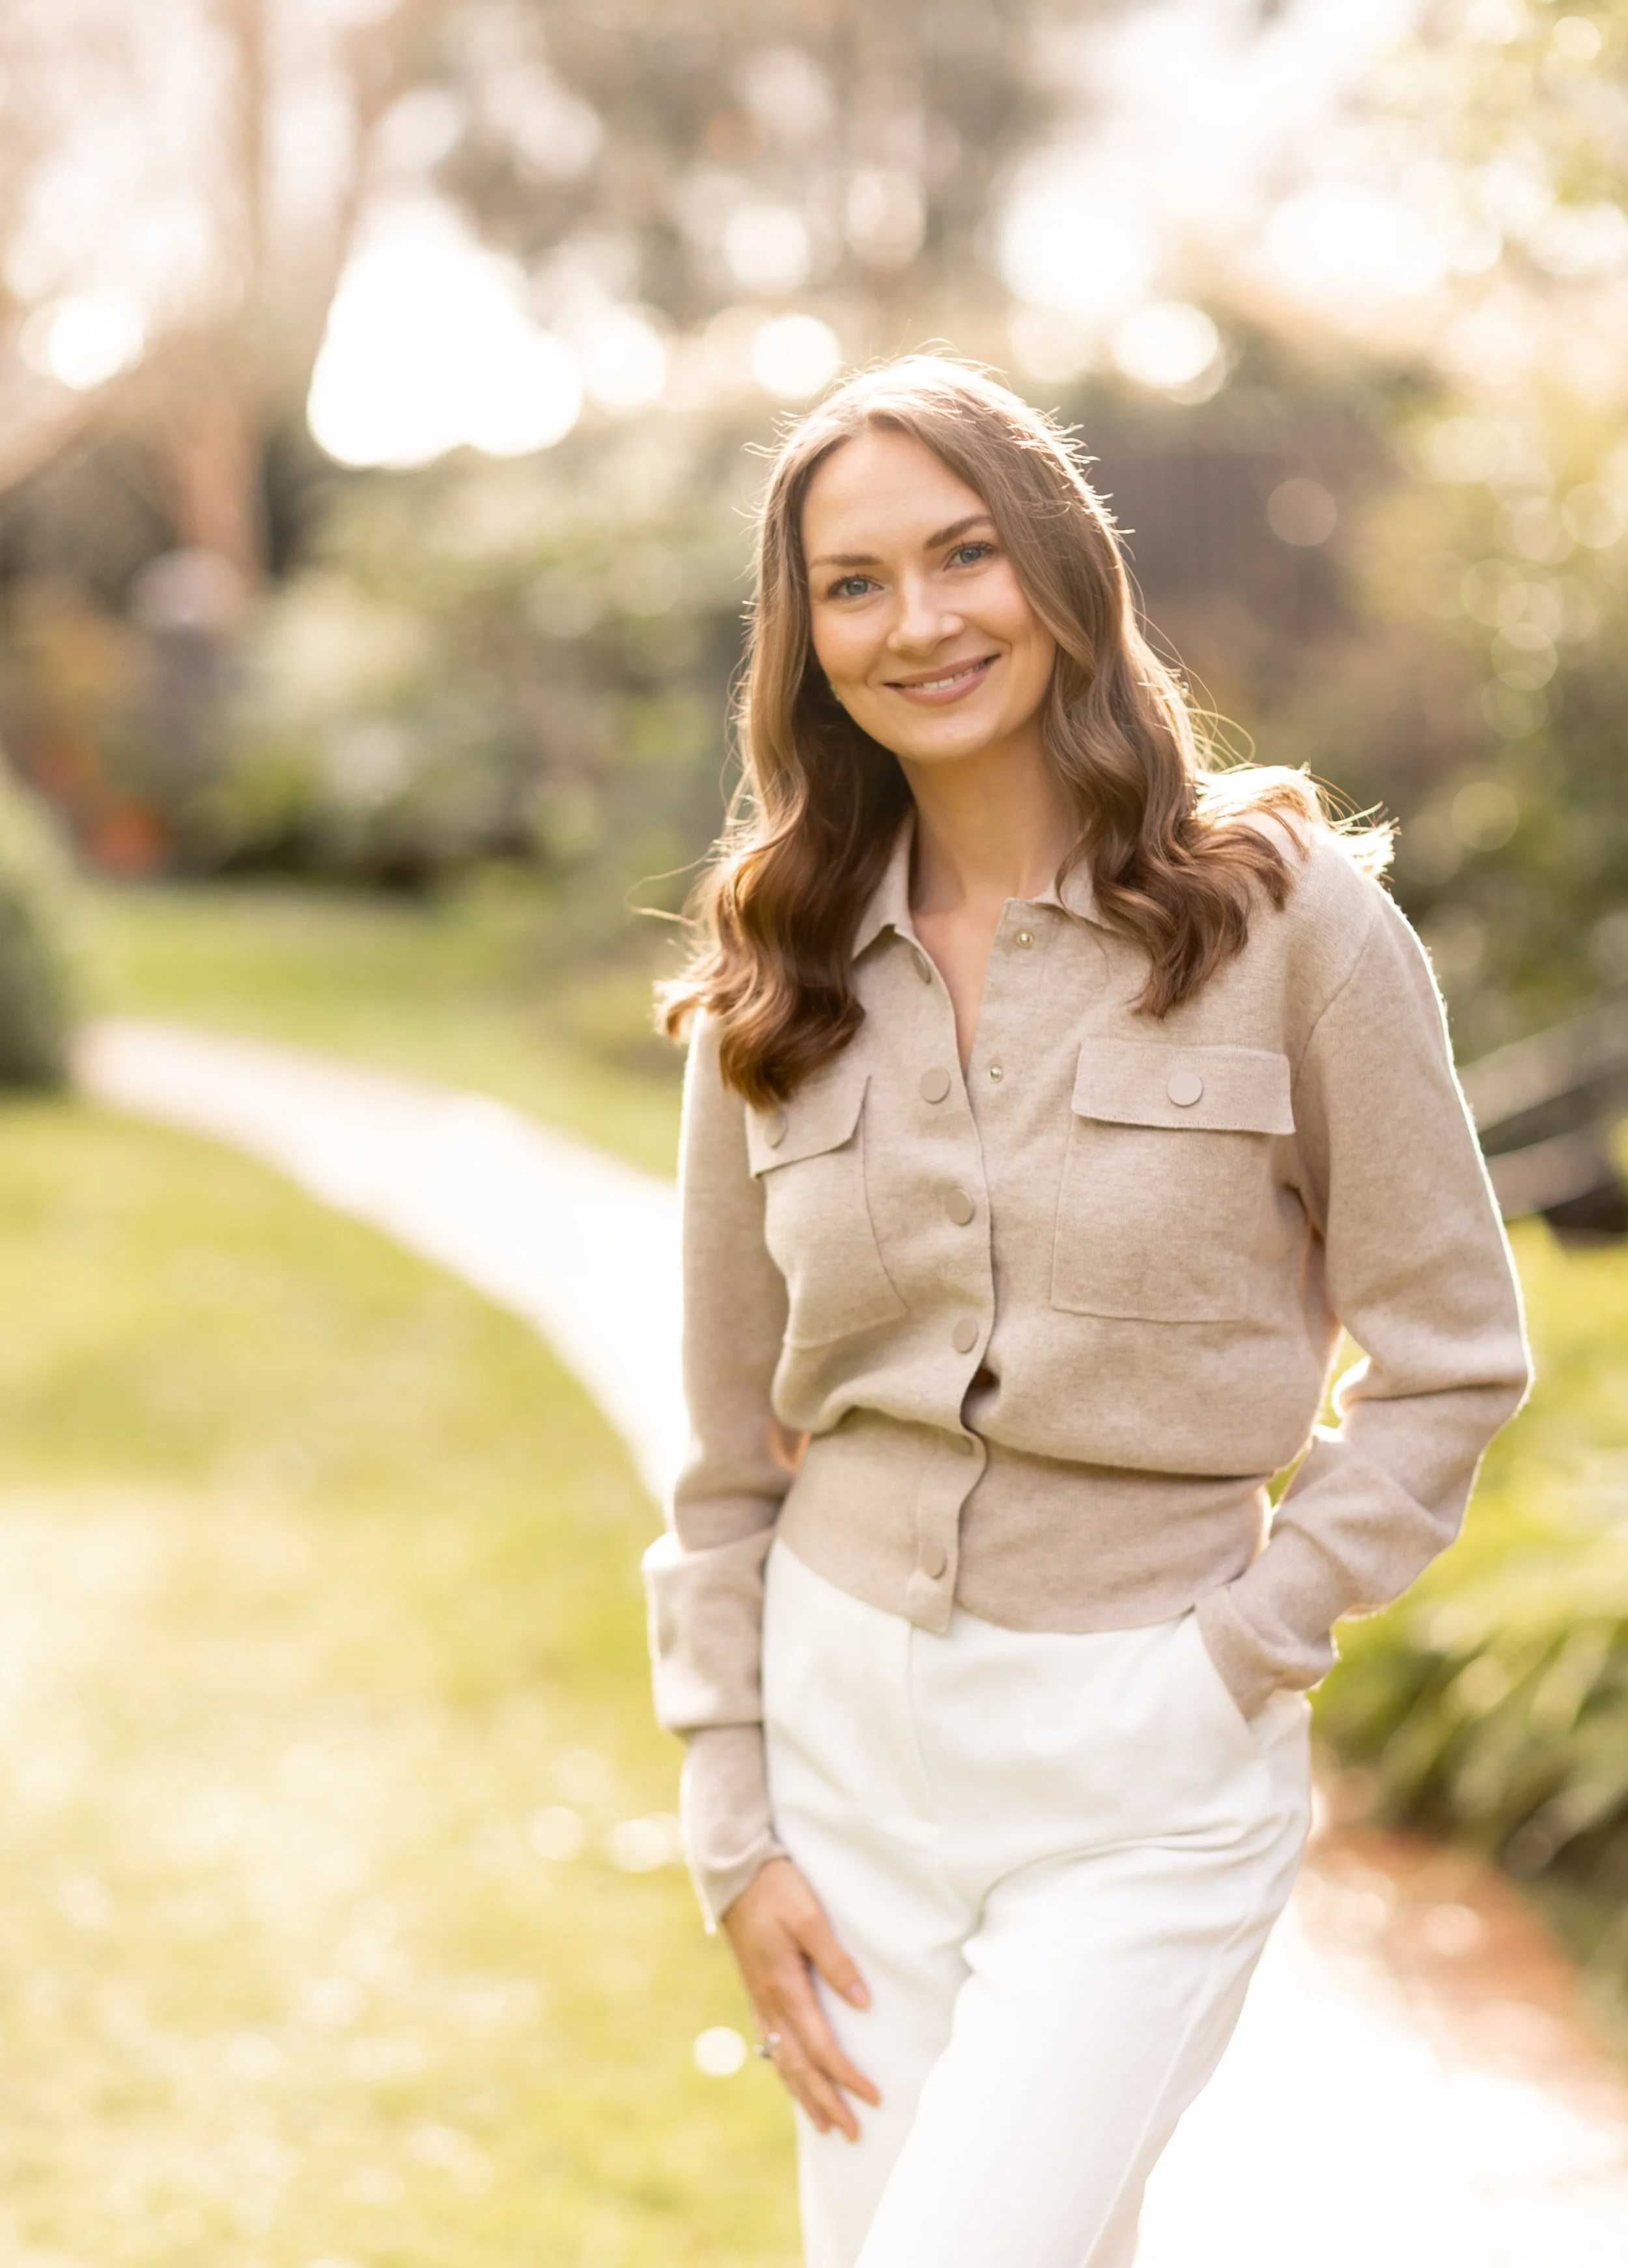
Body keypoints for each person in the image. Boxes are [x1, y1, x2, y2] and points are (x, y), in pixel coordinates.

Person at [643, 355, 1529, 2268]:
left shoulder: (1281, 919)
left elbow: (1452, 1354)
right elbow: (728, 1461)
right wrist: (738, 1810)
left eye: (963, 553)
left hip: (1135, 1758)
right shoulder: (773, 967)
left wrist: (1241, 1653)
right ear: (802, 646)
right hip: (839, 1741)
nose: (920, 619)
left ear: (1058, 566)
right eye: (854, 583)